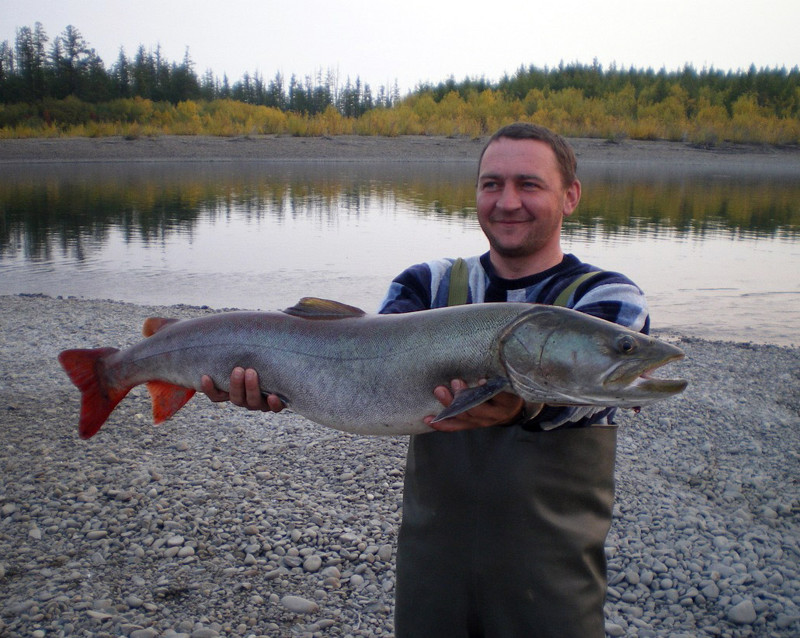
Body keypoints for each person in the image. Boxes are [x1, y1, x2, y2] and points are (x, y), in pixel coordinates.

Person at [201, 123, 649, 637]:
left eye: (529, 184)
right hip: (432, 569)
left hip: (550, 582)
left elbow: (585, 394)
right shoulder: (427, 283)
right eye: (491, 184)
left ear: (570, 196)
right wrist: (280, 379)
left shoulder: (607, 299)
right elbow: (365, 364)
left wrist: (524, 405)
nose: (507, 202)